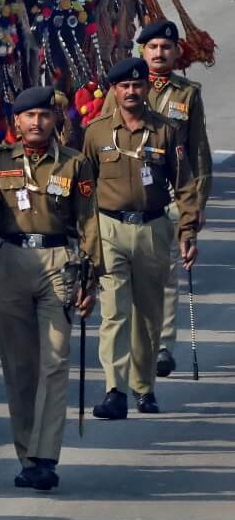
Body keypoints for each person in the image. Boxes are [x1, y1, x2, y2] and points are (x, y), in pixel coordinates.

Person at [0, 85, 99, 492]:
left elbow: (90, 222)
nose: (37, 122)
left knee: (56, 361)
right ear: (17, 122)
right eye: (29, 116)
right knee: (20, 368)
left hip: (58, 264)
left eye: (45, 115)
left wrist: (91, 279)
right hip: (12, 262)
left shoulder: (75, 165)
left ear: (55, 120)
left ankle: (46, 457)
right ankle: (27, 456)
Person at [84, 56, 197, 419]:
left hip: (152, 228)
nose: (131, 91)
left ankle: (143, 387)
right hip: (109, 228)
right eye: (124, 86)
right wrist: (82, 237)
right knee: (114, 312)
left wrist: (188, 230)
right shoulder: (97, 132)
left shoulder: (165, 131)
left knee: (148, 315)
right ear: (115, 91)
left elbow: (184, 184)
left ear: (146, 88)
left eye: (137, 85)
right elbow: (84, 187)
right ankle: (114, 389)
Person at [137, 20, 211, 377]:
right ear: (141, 52)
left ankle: (163, 344)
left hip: (171, 195)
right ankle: (136, 341)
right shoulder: (124, 89)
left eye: (166, 47)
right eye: (152, 47)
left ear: (176, 52)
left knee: (167, 272)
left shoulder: (188, 94)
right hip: (131, 196)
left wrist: (195, 206)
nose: (159, 53)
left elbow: (199, 153)